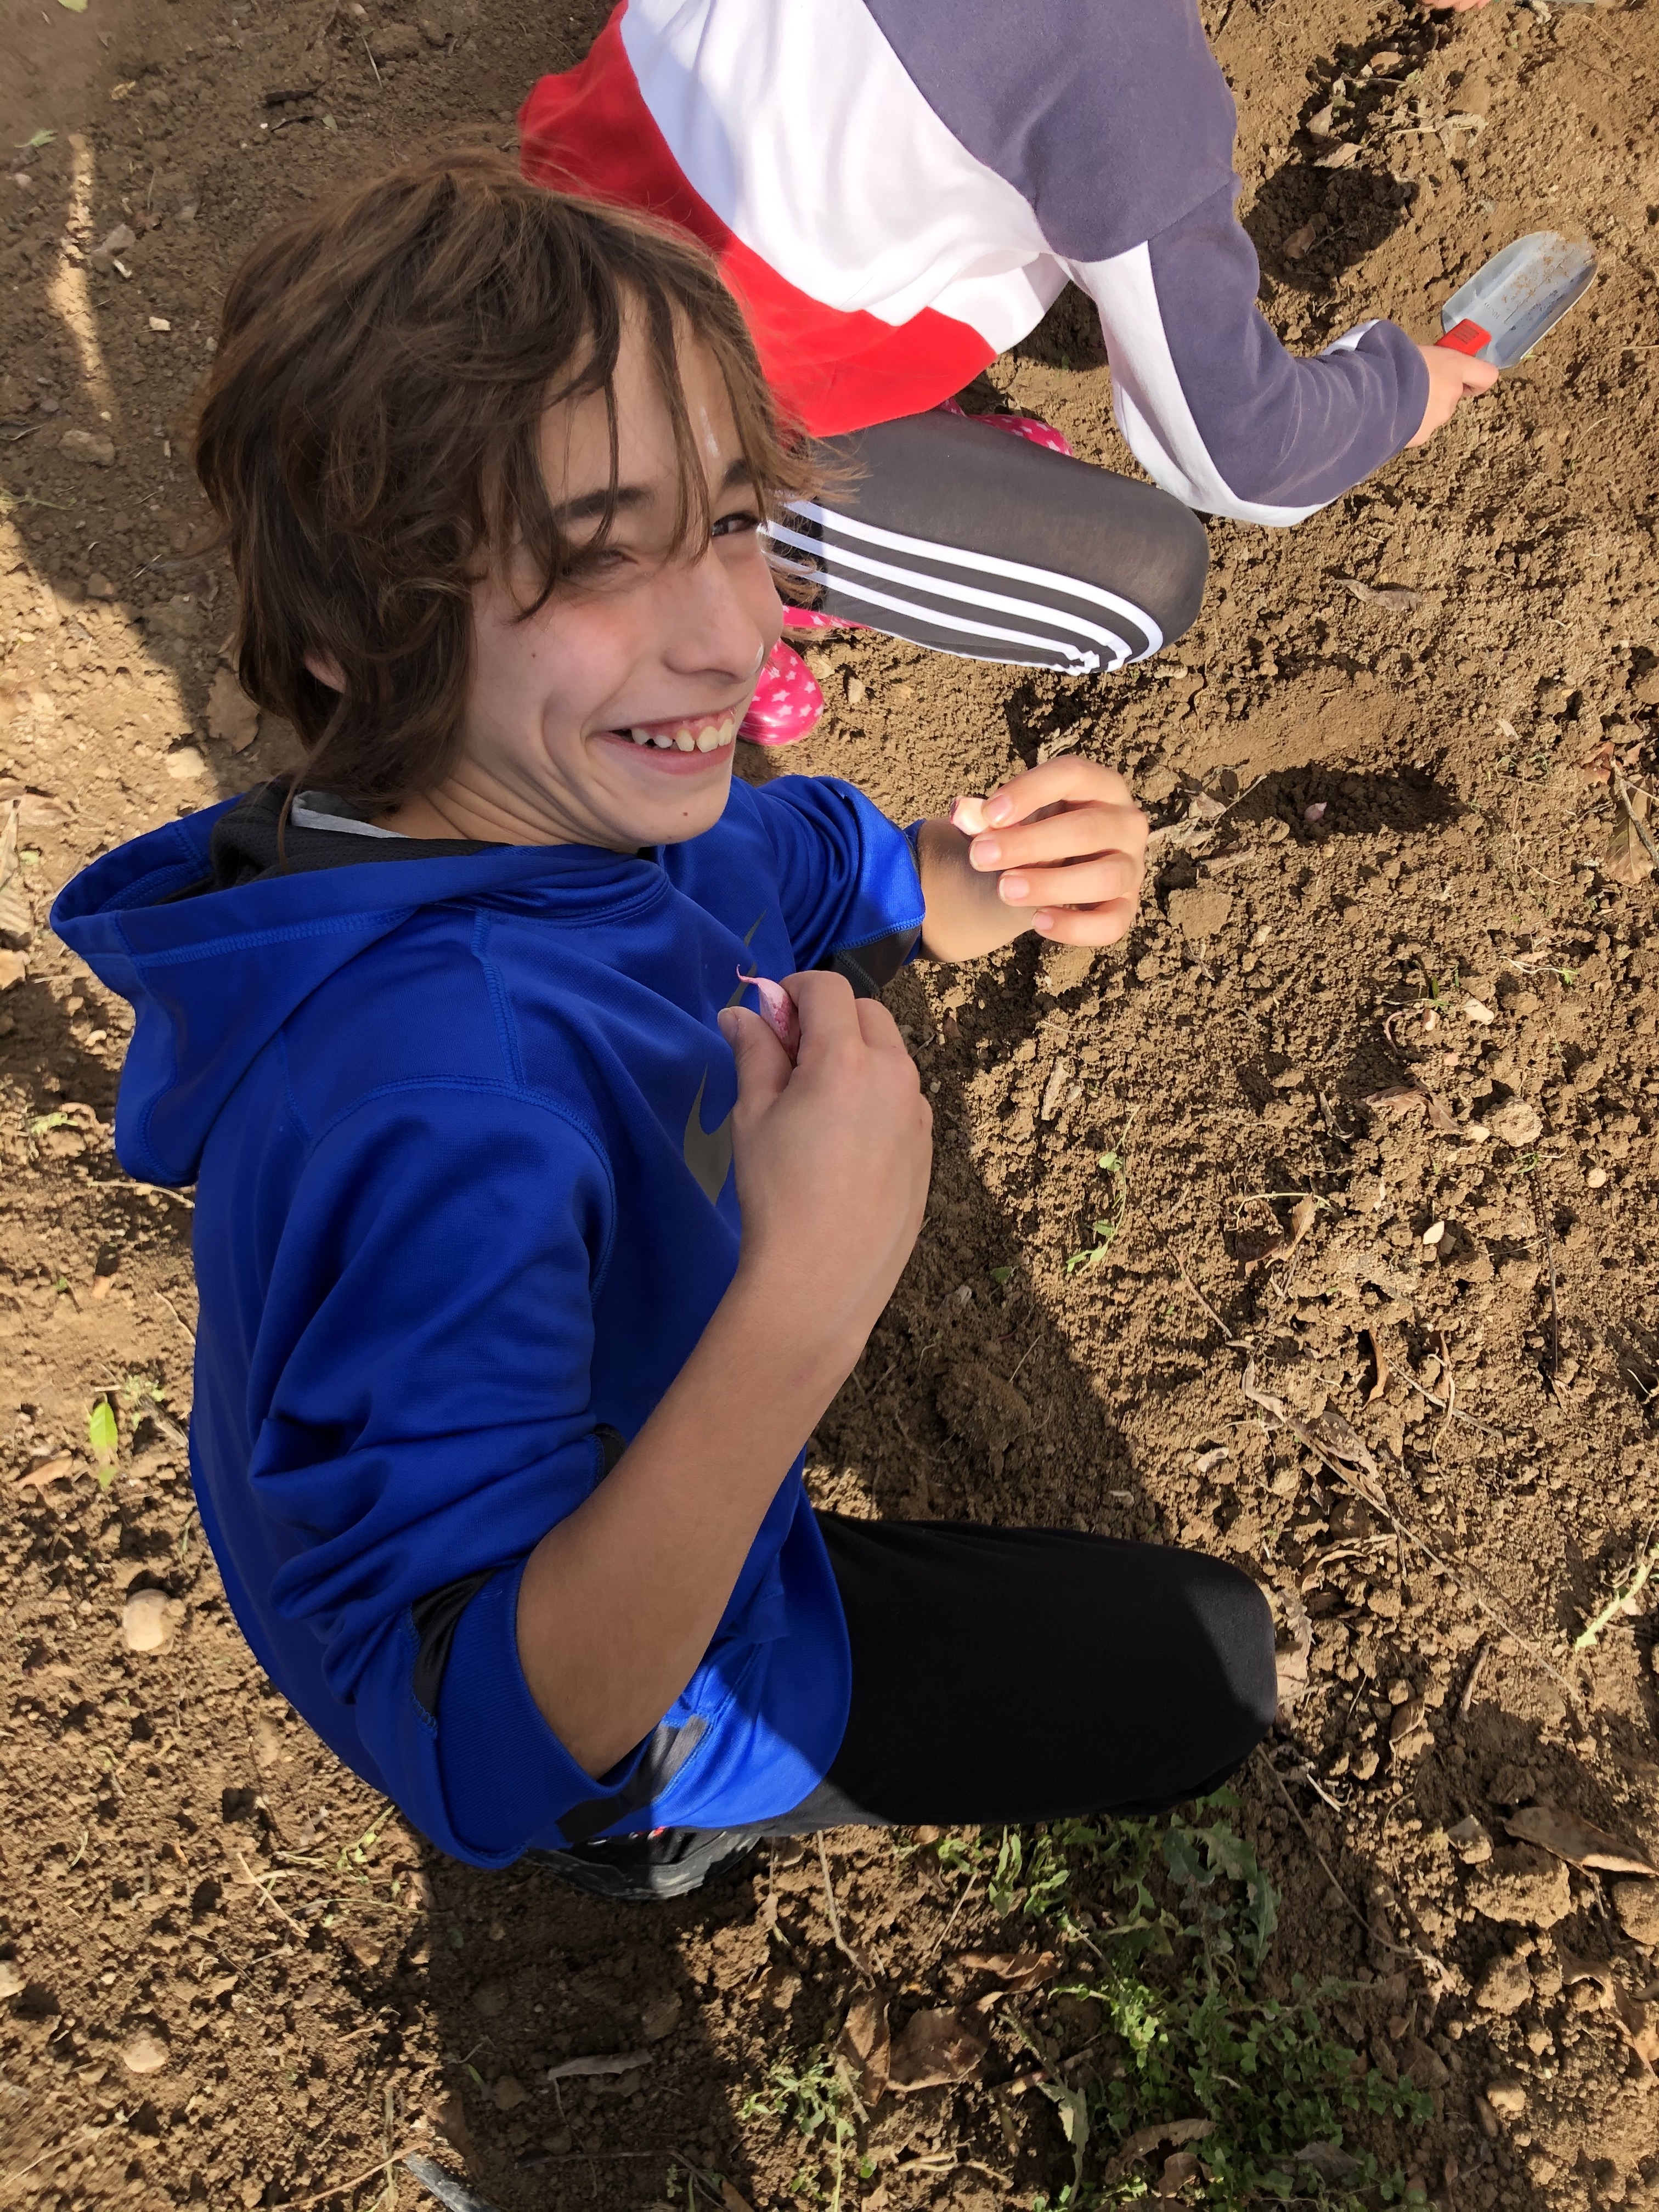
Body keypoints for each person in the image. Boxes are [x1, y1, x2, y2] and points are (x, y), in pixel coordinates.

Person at [54, 154, 1276, 1902]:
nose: (729, 638)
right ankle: (657, 1842)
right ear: (354, 633)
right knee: (1209, 1675)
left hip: (636, 1426)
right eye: (593, 560)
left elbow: (815, 868)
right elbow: (482, 1745)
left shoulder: (588, 823)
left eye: (734, 518)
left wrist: (988, 873)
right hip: (633, 1680)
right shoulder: (445, 1112)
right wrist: (806, 1299)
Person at [518, 0, 1498, 743]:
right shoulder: (1134, 90)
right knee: (1145, 583)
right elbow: (1245, 458)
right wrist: (1401, 390)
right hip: (646, 426)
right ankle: (708, 570)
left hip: (552, 205)